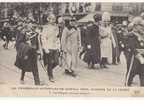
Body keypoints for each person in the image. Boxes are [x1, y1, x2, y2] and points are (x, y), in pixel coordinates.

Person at [40, 14, 60, 82]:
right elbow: (43, 38)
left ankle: (48, 68)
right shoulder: (46, 27)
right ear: (48, 19)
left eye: (54, 19)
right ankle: (50, 76)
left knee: (57, 62)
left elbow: (57, 38)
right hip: (48, 47)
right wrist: (45, 48)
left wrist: (58, 46)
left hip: (55, 47)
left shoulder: (56, 27)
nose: (53, 20)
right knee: (50, 62)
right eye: (51, 19)